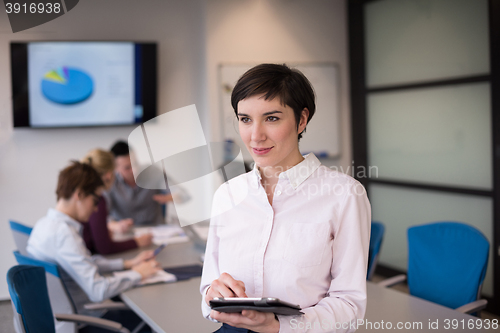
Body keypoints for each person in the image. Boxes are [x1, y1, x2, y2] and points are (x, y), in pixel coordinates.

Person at [200, 64, 371, 333]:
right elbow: (208, 289)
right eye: (245, 119)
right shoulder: (227, 194)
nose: (255, 136)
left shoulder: (344, 194)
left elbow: (349, 305)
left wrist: (280, 326)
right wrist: (212, 293)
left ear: (301, 120)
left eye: (272, 118)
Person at [27, 161, 161, 316]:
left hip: (63, 315)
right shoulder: (64, 234)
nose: (96, 208)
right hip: (87, 319)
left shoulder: (43, 224)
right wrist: (137, 273)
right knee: (152, 312)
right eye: (96, 200)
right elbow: (98, 290)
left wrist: (126, 264)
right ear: (80, 195)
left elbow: (84, 260)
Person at [81, 149, 153, 255]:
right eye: (127, 167)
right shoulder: (97, 200)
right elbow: (105, 248)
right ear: (110, 174)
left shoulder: (83, 193)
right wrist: (136, 242)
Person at [106, 141, 173, 228]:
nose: (134, 170)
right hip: (126, 233)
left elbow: (182, 194)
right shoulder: (110, 182)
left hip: (155, 230)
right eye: (127, 168)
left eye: (135, 164)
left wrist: (174, 196)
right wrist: (115, 226)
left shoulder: (152, 172)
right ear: (115, 168)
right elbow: (102, 216)